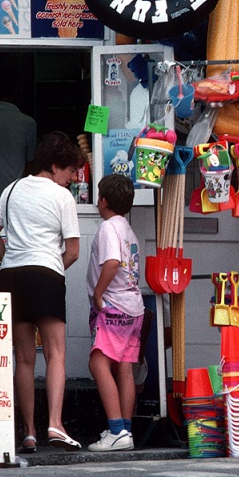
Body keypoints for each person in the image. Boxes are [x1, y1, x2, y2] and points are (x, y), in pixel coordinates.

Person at [0, 131, 87, 453]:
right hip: (46, 275)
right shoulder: (62, 197)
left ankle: (29, 432)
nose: (73, 178)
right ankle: (55, 424)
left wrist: (10, 259)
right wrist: (50, 266)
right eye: (70, 171)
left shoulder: (11, 189)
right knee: (56, 354)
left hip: (13, 277)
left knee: (24, 358)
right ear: (55, 167)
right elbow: (73, 252)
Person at [86, 174, 143, 452]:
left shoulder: (108, 227)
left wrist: (98, 294)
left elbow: (112, 263)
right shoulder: (127, 229)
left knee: (98, 364)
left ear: (104, 201)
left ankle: (117, 430)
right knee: (124, 367)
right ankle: (126, 430)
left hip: (114, 307)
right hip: (133, 306)